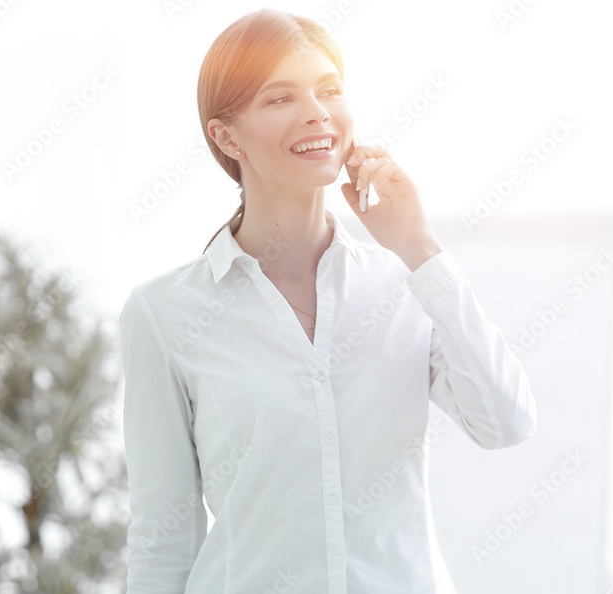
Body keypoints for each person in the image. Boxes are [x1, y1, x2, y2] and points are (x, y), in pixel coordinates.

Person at [119, 8, 536, 593]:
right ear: (226, 135)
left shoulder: (406, 284)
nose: (316, 112)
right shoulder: (163, 315)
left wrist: (419, 246)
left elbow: (506, 423)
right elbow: (162, 543)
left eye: (329, 90)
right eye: (279, 98)